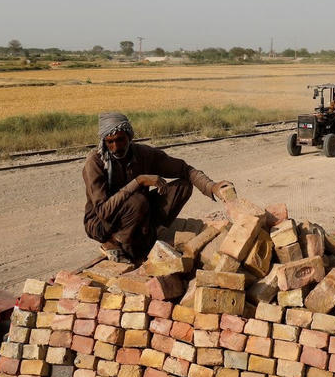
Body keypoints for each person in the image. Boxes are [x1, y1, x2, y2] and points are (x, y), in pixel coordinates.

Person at [84, 111, 231, 264]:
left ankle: (149, 234)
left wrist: (212, 186)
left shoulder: (143, 154)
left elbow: (185, 169)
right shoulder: (95, 162)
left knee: (183, 186)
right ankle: (119, 244)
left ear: (129, 136)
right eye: (110, 142)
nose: (116, 147)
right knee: (137, 201)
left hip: (136, 211)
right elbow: (103, 211)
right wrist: (139, 181)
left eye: (120, 140)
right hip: (102, 223)